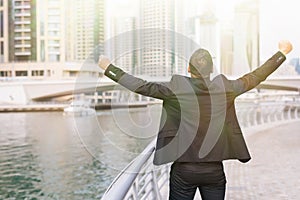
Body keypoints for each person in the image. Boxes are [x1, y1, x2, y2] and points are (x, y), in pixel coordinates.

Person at [98, 40, 293, 200]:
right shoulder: (225, 88)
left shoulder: (176, 88)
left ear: (188, 69)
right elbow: (256, 76)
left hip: (184, 170)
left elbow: (141, 86)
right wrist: (282, 53)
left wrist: (109, 68)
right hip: (214, 171)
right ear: (211, 70)